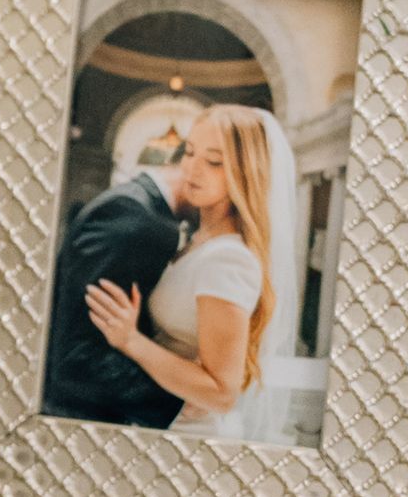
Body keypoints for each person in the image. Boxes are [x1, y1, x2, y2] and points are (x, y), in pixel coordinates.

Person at [82, 103, 284, 440]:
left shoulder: (228, 260)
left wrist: (131, 341)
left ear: (246, 172)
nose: (192, 169)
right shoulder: (196, 239)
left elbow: (222, 393)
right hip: (153, 420)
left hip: (184, 434)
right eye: (189, 153)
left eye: (214, 162)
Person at [41, 145, 189, 427]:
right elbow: (78, 358)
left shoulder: (138, 207)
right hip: (76, 419)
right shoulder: (133, 218)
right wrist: (174, 399)